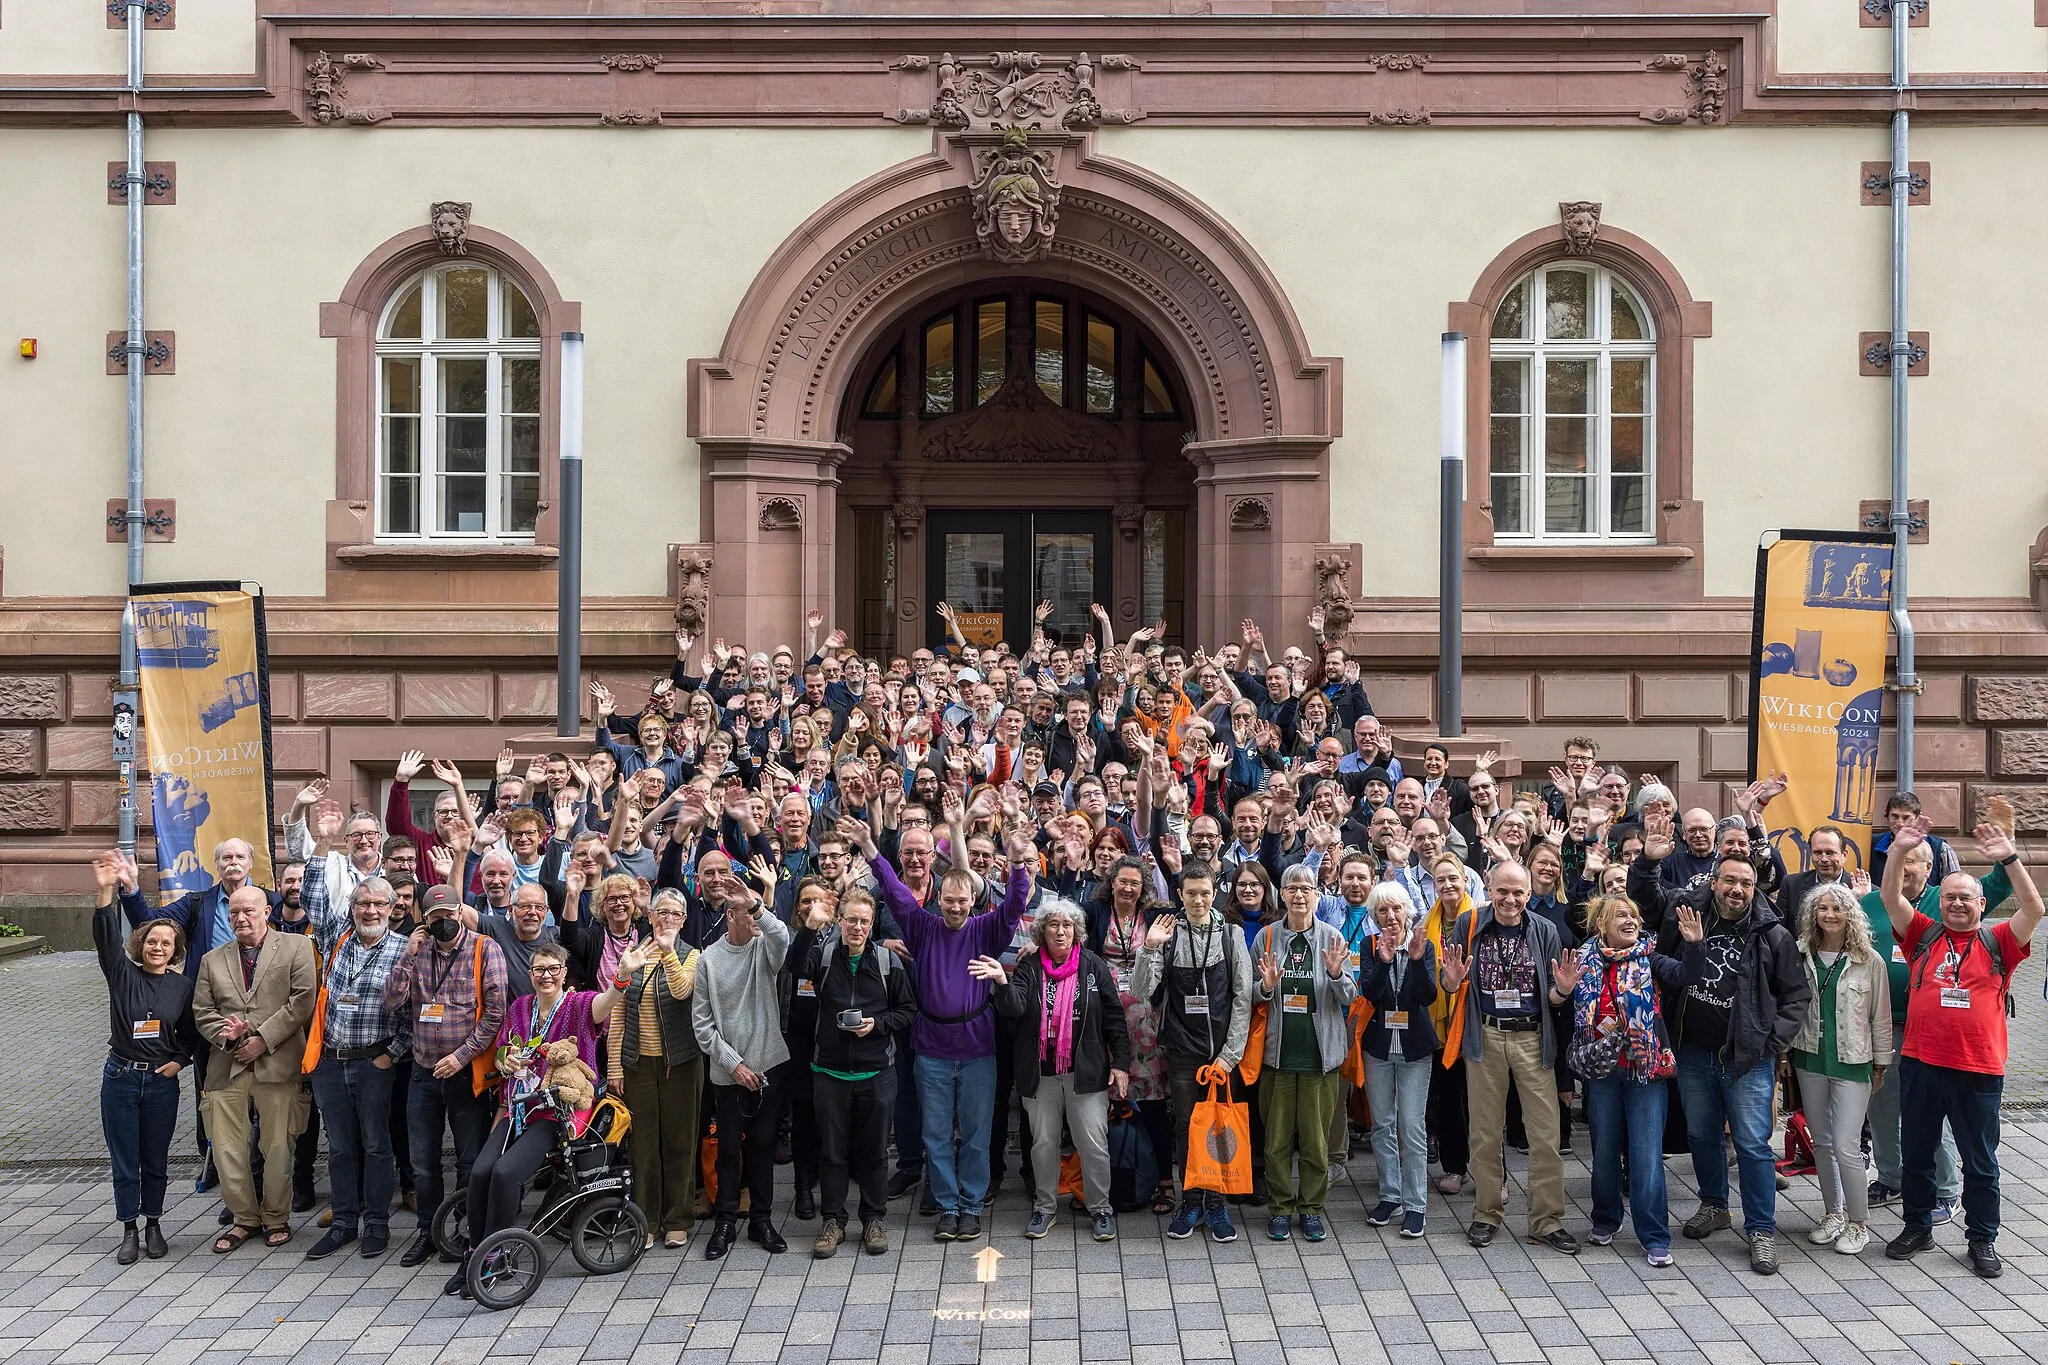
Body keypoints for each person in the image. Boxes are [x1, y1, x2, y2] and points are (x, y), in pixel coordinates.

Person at [855, 817, 1034, 1243]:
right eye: (949, 900)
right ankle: (947, 1205)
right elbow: (896, 895)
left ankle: (971, 1206)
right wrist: (869, 848)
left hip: (976, 1048)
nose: (955, 907)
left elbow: (1015, 903)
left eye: (962, 901)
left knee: (974, 1134)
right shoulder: (923, 926)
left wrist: (1019, 862)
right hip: (931, 1047)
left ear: (973, 900)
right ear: (941, 900)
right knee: (935, 1133)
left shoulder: (986, 928)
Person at [1880, 815, 2041, 1278]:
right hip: (1921, 1064)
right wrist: (1897, 851)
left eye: (1964, 897)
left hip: (1978, 1069)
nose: (1955, 904)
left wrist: (2009, 857)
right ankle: (1916, 1227)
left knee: (1980, 1162)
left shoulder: (2000, 940)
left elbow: (2034, 910)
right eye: (1948, 896)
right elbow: (1891, 897)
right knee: (1918, 1152)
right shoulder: (1923, 934)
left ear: (1981, 902)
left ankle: (1982, 1239)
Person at [1650, 842, 1809, 1276]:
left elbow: (1796, 996)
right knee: (1701, 1135)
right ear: (1715, 881)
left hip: (1746, 1057)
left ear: (1755, 889)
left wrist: (1770, 1043)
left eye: (1746, 883)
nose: (1737, 889)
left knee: (1753, 1145)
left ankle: (1760, 1229)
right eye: (1730, 880)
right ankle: (1715, 1205)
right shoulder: (1687, 915)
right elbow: (1657, 941)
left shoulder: (1773, 933)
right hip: (1692, 1050)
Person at [448, 941, 623, 1296]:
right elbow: (502, 1051)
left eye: (552, 969)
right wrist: (504, 1060)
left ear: (563, 972)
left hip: (556, 1113)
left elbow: (605, 1005)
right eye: (539, 970)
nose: (546, 976)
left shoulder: (577, 1005)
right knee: (480, 1171)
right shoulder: (520, 1007)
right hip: (518, 1106)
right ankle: (473, 1254)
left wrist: (621, 978)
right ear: (530, 974)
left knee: (506, 1172)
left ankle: (494, 1256)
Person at [1439, 860, 1577, 1255]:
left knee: (1545, 1136)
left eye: (1518, 892)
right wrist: (1450, 979)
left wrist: (1564, 991)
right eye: (1503, 891)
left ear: (1529, 894)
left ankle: (1546, 1221)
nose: (1510, 899)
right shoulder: (1469, 924)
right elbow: (1452, 984)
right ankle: (1486, 1213)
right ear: (1489, 888)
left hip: (1533, 1038)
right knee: (1484, 1133)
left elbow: (1553, 996)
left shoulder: (1545, 930)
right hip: (1485, 1037)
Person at [1564, 894, 1702, 1267]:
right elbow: (1561, 1005)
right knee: (1604, 1151)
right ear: (1600, 925)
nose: (1630, 921)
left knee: (1645, 1156)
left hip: (1645, 1070)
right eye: (1620, 915)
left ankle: (1654, 1236)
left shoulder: (1650, 957)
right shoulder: (1584, 960)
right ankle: (1605, 1220)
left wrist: (1693, 946)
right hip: (1602, 1072)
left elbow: (1685, 976)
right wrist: (1563, 989)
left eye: (1634, 915)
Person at [984, 898, 1132, 1243]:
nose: (1061, 931)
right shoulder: (1029, 967)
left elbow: (1113, 1018)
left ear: (1077, 931)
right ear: (1042, 931)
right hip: (1040, 1074)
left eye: (1067, 925)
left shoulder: (1093, 966)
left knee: (1093, 1143)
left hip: (1086, 1074)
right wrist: (1002, 984)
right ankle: (1045, 1206)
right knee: (1044, 1143)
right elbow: (1014, 1008)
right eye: (1053, 925)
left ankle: (1101, 1208)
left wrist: (1121, 1064)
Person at [383, 884, 510, 1268]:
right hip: (423, 1071)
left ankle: (467, 1231)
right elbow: (391, 1001)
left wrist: (461, 1056)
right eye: (434, 917)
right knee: (423, 1162)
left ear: (461, 912)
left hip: (464, 1071)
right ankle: (428, 1231)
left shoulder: (485, 949)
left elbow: (495, 1014)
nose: (443, 923)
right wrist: (407, 955)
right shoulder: (415, 951)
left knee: (470, 1160)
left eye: (449, 915)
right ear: (424, 919)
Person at [789, 886, 918, 1258]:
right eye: (851, 920)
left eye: (864, 921)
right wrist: (810, 928)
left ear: (872, 923)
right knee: (832, 1152)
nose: (857, 927)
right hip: (829, 1072)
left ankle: (874, 1219)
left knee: (875, 1153)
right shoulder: (825, 957)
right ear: (840, 921)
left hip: (876, 1073)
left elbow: (906, 1011)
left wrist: (875, 1024)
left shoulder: (885, 961)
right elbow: (796, 966)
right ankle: (833, 1221)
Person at [192, 886, 320, 1253]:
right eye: (233, 913)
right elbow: (203, 1011)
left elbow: (302, 1001)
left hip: (278, 1062)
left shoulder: (297, 947)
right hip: (226, 1066)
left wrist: (262, 1040)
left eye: (248, 911)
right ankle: (244, 1219)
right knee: (228, 1148)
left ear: (267, 911)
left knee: (278, 1145)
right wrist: (230, 1038)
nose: (241, 919)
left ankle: (276, 1217)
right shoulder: (212, 959)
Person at [1135, 859, 1252, 1245]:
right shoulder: (1166, 933)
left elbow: (1242, 998)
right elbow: (1141, 990)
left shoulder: (1231, 934)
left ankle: (1217, 1203)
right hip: (1183, 1052)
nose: (1198, 900)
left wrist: (1229, 1055)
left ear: (1215, 891)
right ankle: (1191, 1199)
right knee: (1187, 1128)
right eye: (1190, 893)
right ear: (1180, 895)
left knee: (1219, 1126)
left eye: (1205, 893)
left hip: (1221, 1054)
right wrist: (1149, 948)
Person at [93, 850, 200, 1264]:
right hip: (120, 1077)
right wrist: (106, 891)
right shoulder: (123, 973)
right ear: (142, 943)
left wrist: (181, 1060)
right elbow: (105, 935)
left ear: (175, 949)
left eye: (166, 943)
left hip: (160, 1083)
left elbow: (190, 1036)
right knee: (125, 1158)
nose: (158, 947)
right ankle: (128, 1228)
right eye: (152, 941)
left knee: (156, 1157)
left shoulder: (183, 986)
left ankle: (154, 1222)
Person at [300, 876, 413, 1260]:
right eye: (364, 903)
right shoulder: (337, 941)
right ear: (353, 907)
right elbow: (313, 898)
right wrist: (319, 840)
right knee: (339, 1147)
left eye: (379, 904)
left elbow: (418, 1013)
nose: (371, 911)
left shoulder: (405, 951)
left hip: (373, 1063)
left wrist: (392, 1053)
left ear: (393, 907)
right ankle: (344, 1223)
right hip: (330, 1062)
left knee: (377, 1145)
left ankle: (377, 1225)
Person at [1249, 863, 1357, 1243]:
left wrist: (1333, 974)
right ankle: (1280, 1207)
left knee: (1315, 1141)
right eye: (1291, 888)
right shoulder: (1265, 938)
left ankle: (1311, 1208)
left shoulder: (1332, 937)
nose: (1298, 894)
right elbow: (1249, 995)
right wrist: (1265, 987)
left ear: (1316, 895)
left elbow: (1350, 997)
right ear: (1281, 895)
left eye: (1306, 888)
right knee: (1276, 1140)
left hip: (1319, 1058)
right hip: (1277, 1057)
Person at [691, 859, 793, 1259]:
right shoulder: (708, 960)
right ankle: (725, 1222)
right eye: (746, 912)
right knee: (728, 1149)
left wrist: (757, 903)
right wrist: (734, 1064)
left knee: (764, 1147)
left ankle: (762, 1220)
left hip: (769, 1062)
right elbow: (703, 1027)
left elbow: (782, 936)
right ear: (729, 915)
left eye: (756, 912)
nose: (754, 918)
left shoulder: (764, 950)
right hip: (728, 1071)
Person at [1787, 883, 1891, 1257]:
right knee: (1823, 1142)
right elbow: (1790, 1007)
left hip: (1853, 1061)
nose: (1829, 914)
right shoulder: (1800, 954)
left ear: (1851, 914)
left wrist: (1881, 1063)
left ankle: (1858, 1223)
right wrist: (1785, 1053)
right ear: (1813, 915)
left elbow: (1881, 1018)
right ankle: (1833, 1213)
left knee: (1847, 1144)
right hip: (1810, 1057)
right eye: (1822, 908)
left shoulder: (1869, 960)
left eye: (1837, 908)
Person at [611, 888, 704, 1250]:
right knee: (643, 1146)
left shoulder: (691, 955)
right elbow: (618, 1012)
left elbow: (683, 992)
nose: (666, 918)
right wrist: (614, 1067)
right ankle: (645, 1219)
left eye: (675, 914)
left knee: (681, 1141)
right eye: (660, 912)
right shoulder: (632, 955)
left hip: (680, 1063)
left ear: (683, 920)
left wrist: (667, 952)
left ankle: (678, 1219)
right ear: (648, 917)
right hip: (638, 1064)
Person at [1359, 883, 1438, 1240]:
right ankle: (1389, 1195)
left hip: (1414, 1049)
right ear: (1374, 917)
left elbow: (1427, 995)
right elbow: (1370, 994)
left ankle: (1416, 1203)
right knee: (1382, 1124)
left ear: (1407, 911)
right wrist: (1384, 960)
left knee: (1411, 1125)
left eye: (1396, 910)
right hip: (1378, 1047)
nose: (1390, 918)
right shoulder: (1369, 946)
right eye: (1382, 912)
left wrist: (1417, 960)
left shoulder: (1424, 945)